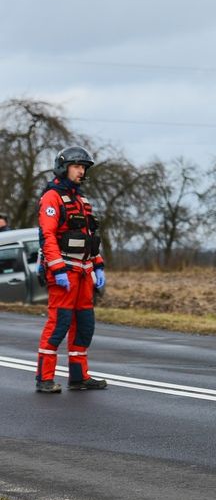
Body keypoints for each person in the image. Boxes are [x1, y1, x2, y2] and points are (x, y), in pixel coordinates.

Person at [35, 146, 107, 393]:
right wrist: (57, 269)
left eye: (83, 167)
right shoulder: (52, 197)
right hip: (65, 271)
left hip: (85, 272)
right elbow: (48, 235)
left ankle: (78, 377)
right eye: (77, 166)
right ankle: (44, 378)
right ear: (64, 168)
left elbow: (89, 236)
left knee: (85, 324)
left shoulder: (82, 200)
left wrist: (98, 266)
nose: (81, 171)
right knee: (59, 323)